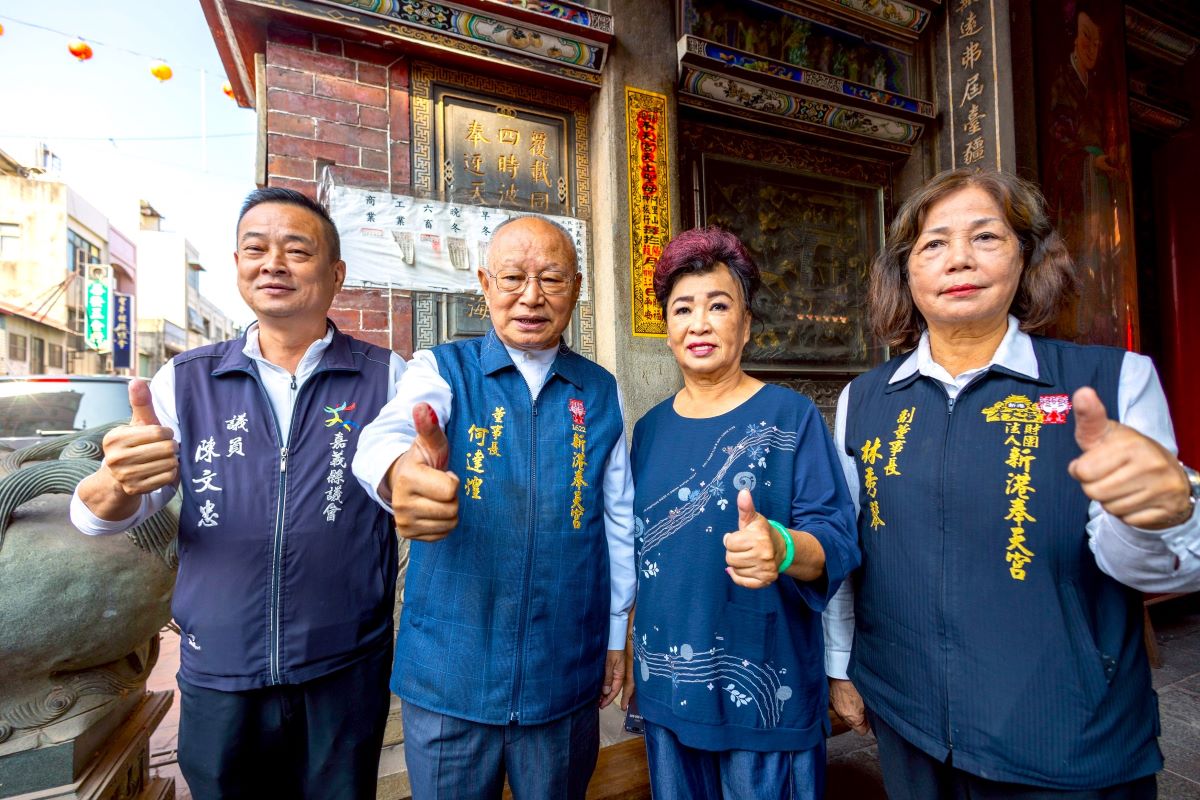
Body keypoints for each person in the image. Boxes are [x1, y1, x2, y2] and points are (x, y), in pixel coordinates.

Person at [824, 168, 1200, 798]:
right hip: (908, 719)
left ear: (1027, 259)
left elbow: (1156, 571)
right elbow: (849, 551)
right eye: (933, 244)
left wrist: (1157, 514)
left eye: (986, 237)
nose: (959, 259)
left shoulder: (1110, 382)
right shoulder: (864, 400)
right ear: (906, 272)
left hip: (1066, 730)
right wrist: (842, 667)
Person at [71, 187, 405, 800]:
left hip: (344, 664)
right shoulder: (187, 379)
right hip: (220, 663)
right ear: (238, 266)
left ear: (336, 275)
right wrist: (116, 482)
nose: (273, 263)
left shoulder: (387, 376)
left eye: (297, 250)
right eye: (256, 248)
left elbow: (400, 491)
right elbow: (101, 517)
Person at [351, 215, 635, 799]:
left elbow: (619, 522)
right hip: (452, 672)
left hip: (563, 670)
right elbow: (383, 439)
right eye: (512, 277)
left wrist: (615, 635)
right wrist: (399, 472)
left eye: (552, 279)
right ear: (484, 283)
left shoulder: (599, 390)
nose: (531, 296)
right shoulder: (442, 370)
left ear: (577, 288)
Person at [623, 227, 859, 799]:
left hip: (764, 686)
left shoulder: (790, 416)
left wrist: (782, 547)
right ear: (669, 329)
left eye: (718, 305)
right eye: (683, 308)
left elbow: (838, 536)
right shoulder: (649, 429)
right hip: (669, 686)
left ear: (746, 324)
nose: (699, 323)